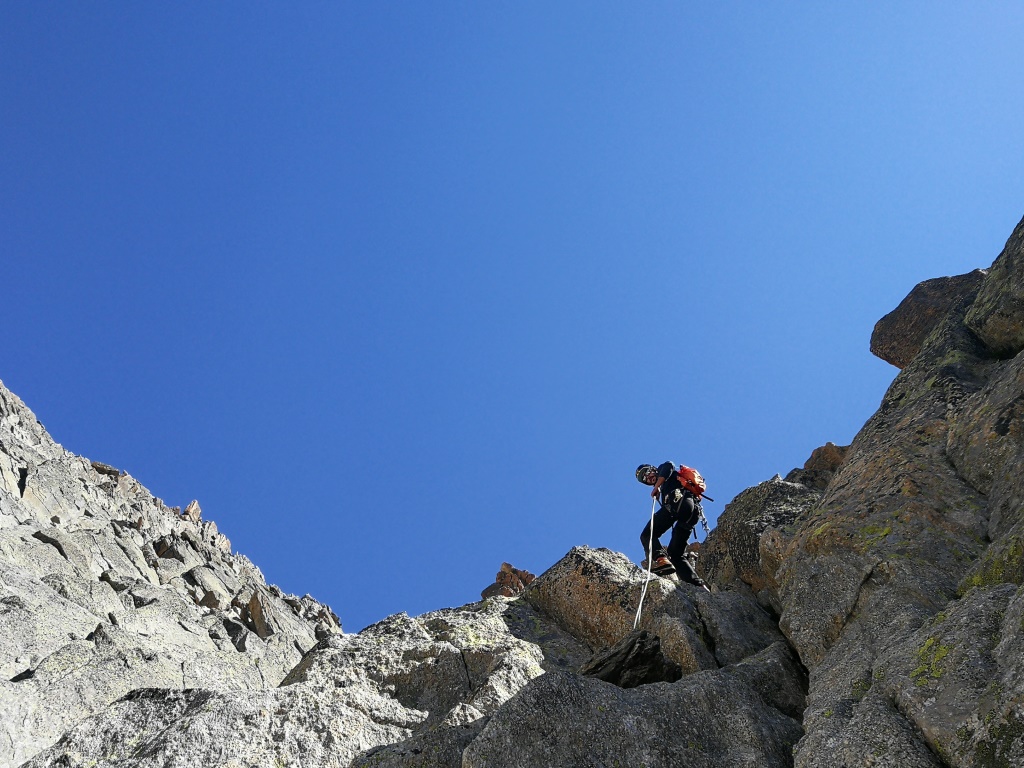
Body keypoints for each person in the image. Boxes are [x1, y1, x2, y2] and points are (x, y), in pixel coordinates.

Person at [635, 462, 710, 592]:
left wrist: (657, 486)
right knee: (675, 554)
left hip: (678, 503)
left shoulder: (663, 470)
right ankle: (699, 586)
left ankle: (661, 559)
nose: (647, 478)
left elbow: (669, 465)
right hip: (690, 512)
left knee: (647, 534)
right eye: (644, 479)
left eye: (646, 473)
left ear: (653, 469)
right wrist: (659, 488)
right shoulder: (666, 484)